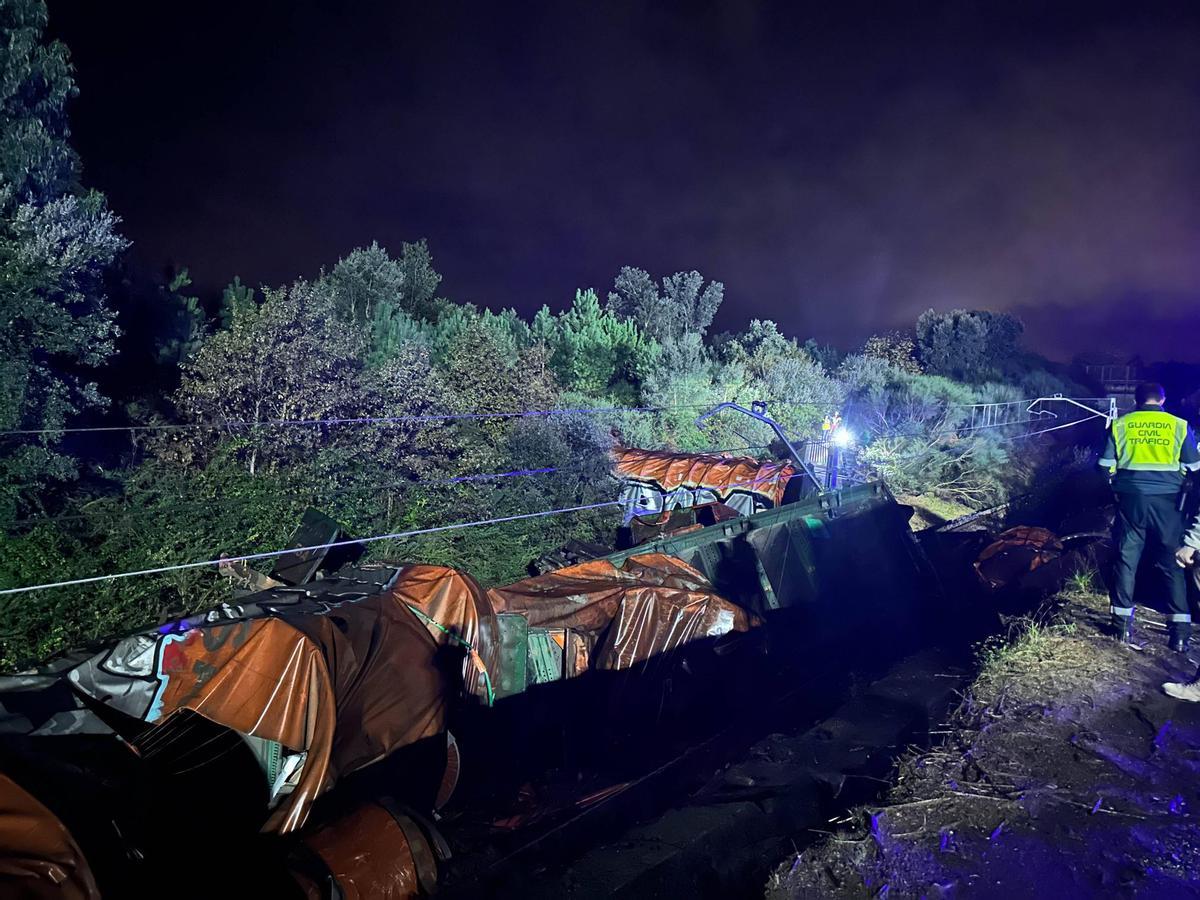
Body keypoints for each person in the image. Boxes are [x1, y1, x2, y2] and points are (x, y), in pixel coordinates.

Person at [1098, 381, 1200, 650]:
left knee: (1126, 559)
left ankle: (1121, 628)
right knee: (1172, 563)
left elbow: (1105, 465)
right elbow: (1193, 466)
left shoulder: (1120, 425)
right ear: (1163, 400)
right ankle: (1179, 635)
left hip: (1131, 500)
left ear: (1136, 400)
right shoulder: (1179, 426)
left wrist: (1116, 485)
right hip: (1169, 503)